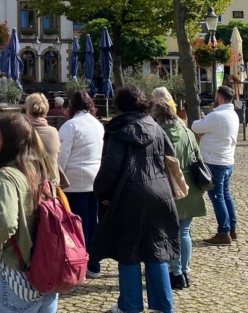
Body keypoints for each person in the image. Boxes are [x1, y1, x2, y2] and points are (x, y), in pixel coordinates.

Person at [92, 87, 179, 313]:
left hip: (129, 194)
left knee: (128, 250)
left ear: (119, 105)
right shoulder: (156, 127)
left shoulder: (118, 129)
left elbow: (110, 168)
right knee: (156, 247)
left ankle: (130, 305)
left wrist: (100, 193)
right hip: (160, 192)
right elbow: (170, 158)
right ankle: (162, 306)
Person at [0, 113, 57, 313]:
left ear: (8, 141)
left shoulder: (7, 176)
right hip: (47, 270)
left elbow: (5, 221)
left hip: (15, 273)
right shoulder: (40, 169)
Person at [150, 100, 206, 290]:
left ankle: (175, 273)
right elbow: (198, 157)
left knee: (169, 232)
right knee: (184, 232)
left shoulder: (157, 134)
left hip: (167, 186)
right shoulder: (188, 133)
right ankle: (184, 271)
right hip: (189, 185)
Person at [58, 90, 105, 277]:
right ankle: (93, 263)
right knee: (92, 221)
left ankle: (80, 262)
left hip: (74, 181)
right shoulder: (98, 125)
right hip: (95, 179)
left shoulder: (70, 126)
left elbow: (61, 157)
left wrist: (57, 181)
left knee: (77, 223)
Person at [192, 85, 239, 245]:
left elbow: (195, 126)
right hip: (226, 160)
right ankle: (231, 228)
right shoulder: (233, 114)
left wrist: (203, 119)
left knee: (217, 197)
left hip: (215, 161)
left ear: (219, 98)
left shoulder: (217, 115)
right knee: (225, 195)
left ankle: (223, 232)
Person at [25, 93, 60, 183]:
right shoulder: (53, 132)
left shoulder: (22, 132)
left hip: (30, 188)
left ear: (28, 111)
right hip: (50, 187)